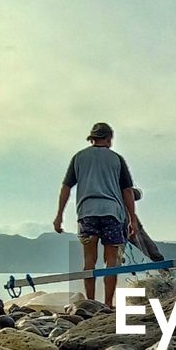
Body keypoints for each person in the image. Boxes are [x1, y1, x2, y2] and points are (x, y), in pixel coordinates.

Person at [53, 121, 137, 308]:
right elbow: (128, 191)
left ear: (92, 138)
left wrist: (59, 215)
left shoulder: (79, 158)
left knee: (89, 260)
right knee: (111, 262)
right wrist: (132, 219)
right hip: (112, 213)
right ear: (108, 139)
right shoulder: (117, 159)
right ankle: (107, 304)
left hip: (87, 213)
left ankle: (90, 304)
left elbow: (66, 188)